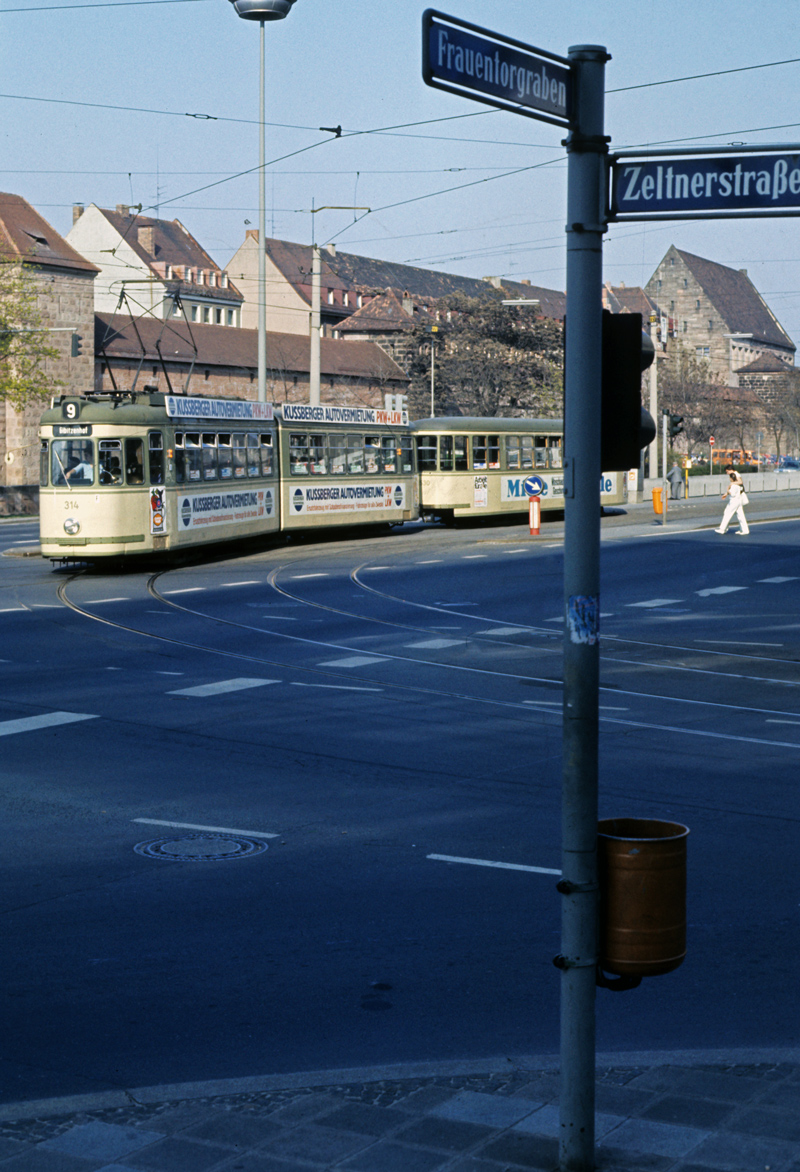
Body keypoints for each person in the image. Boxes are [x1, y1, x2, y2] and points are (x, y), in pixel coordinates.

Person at [715, 471, 749, 535]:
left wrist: (728, 489)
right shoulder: (738, 485)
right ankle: (744, 530)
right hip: (739, 500)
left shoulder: (733, 485)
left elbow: (732, 494)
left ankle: (722, 529)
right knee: (740, 515)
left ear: (731, 478)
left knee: (727, 513)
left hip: (734, 501)